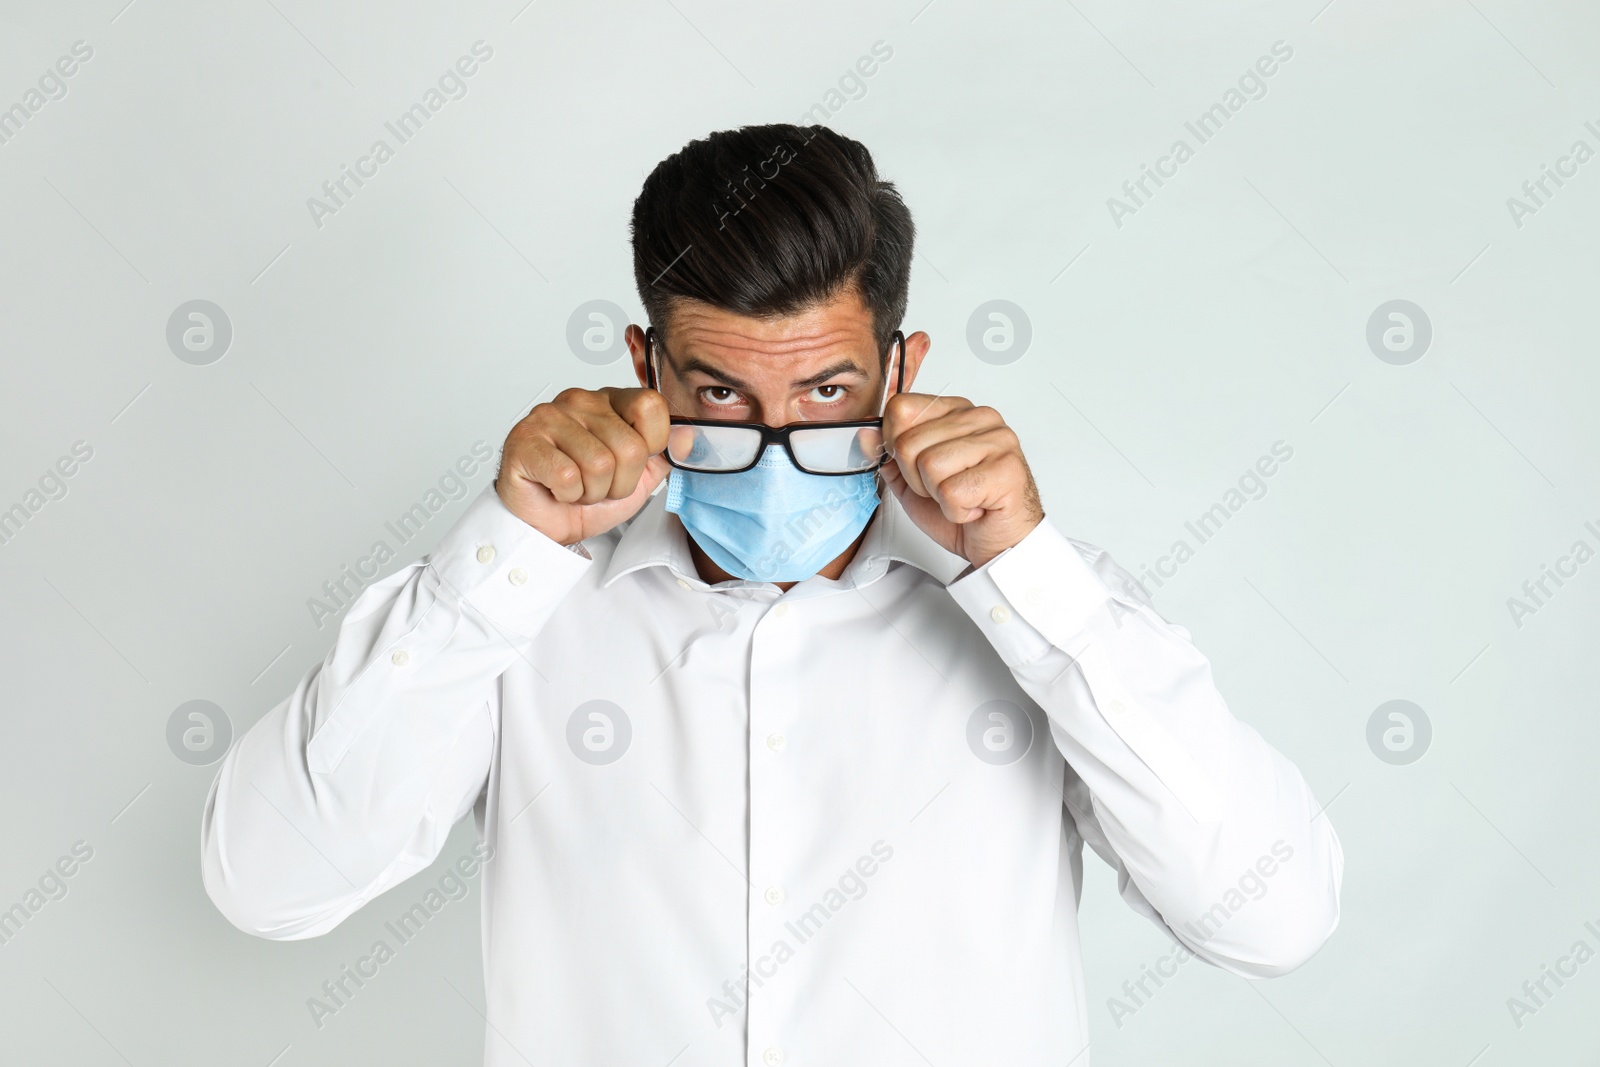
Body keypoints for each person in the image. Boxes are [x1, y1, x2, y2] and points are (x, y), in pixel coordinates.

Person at [202, 123, 1343, 1066]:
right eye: (723, 395)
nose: (780, 443)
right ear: (647, 372)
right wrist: (507, 549)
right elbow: (270, 880)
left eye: (828, 388)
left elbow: (1270, 915)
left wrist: (1027, 575)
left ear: (901, 372)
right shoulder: (523, 604)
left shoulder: (1041, 609)